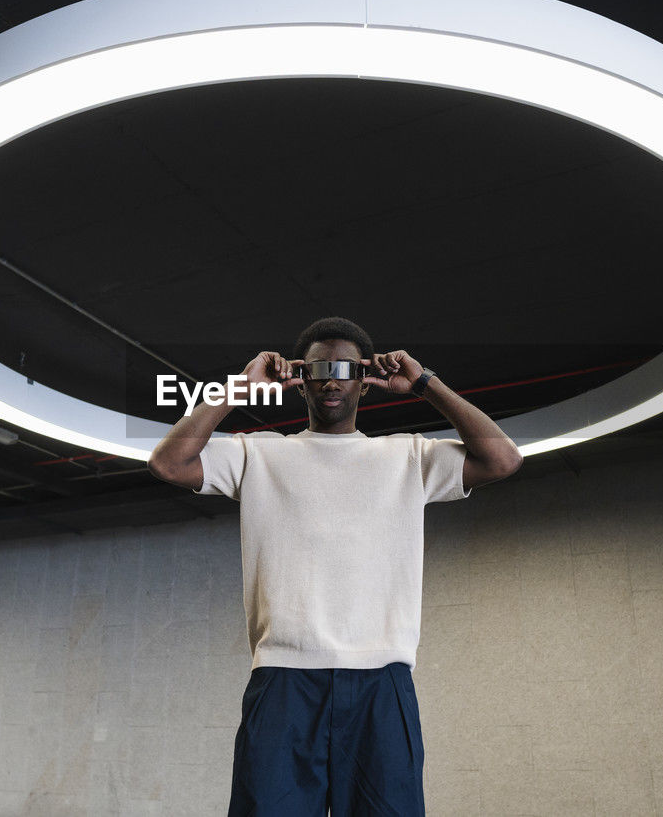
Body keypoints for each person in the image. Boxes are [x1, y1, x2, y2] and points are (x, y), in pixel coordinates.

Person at [147, 317, 522, 816]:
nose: (330, 380)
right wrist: (241, 387)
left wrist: (425, 384)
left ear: (364, 380)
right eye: (318, 368)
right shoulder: (259, 454)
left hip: (381, 682)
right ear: (300, 378)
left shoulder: (408, 456)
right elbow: (168, 463)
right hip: (283, 679)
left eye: (344, 368)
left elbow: (503, 460)